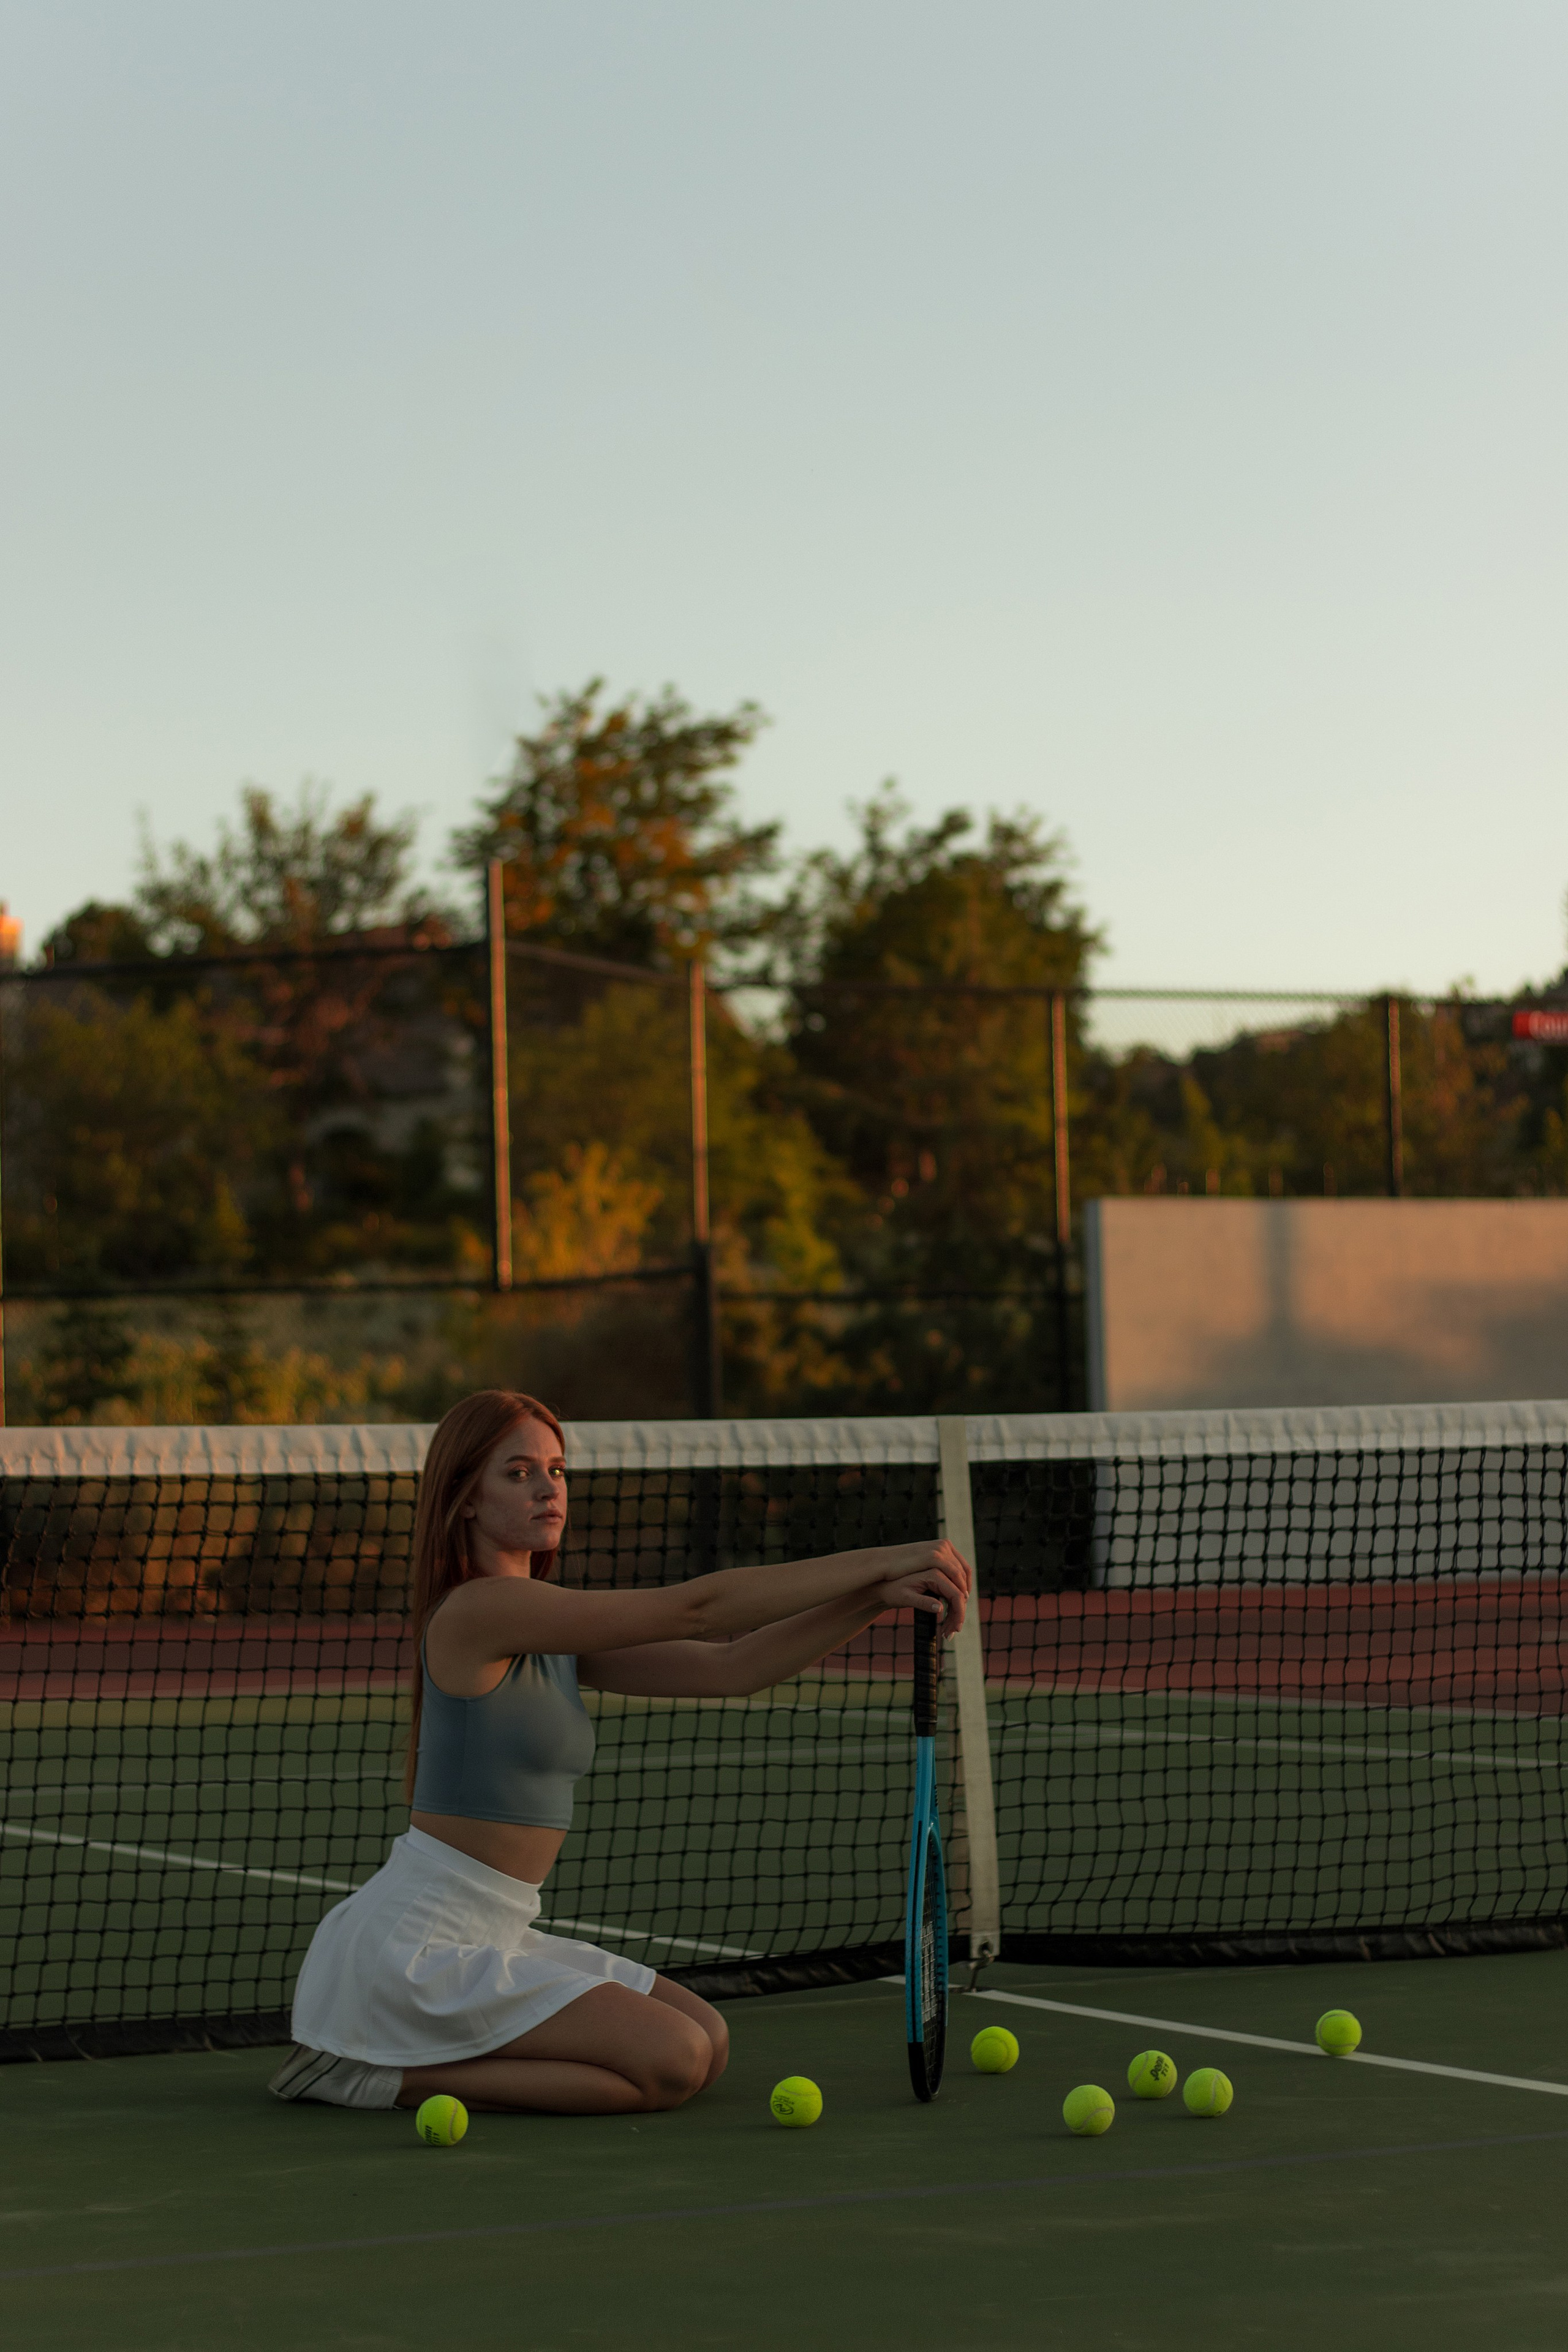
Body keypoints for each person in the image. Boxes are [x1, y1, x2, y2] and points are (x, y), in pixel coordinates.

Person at [269, 1389, 970, 2117]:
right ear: (464, 1499)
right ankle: (376, 2076)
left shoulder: (550, 1631)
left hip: (494, 1931)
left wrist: (877, 1597)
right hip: (417, 1949)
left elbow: (730, 1668)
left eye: (557, 1469)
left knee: (708, 2039)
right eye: (517, 1473)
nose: (548, 1487)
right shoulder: (480, 1610)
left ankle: (395, 2061)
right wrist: (883, 1560)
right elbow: (697, 1608)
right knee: (674, 2060)